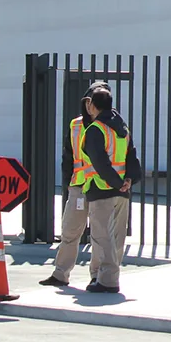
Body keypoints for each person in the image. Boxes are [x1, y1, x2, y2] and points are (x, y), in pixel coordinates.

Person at [39, 81, 108, 288]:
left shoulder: (109, 125)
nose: (91, 106)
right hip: (79, 186)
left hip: (100, 187)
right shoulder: (76, 124)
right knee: (69, 231)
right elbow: (68, 157)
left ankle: (97, 276)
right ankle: (61, 274)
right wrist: (68, 183)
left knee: (99, 234)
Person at [81, 86, 140, 294]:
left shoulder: (95, 129)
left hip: (101, 188)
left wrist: (115, 182)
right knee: (116, 238)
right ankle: (100, 276)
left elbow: (99, 162)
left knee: (101, 237)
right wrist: (128, 180)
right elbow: (132, 157)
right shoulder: (122, 128)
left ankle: (107, 280)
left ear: (93, 106)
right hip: (122, 191)